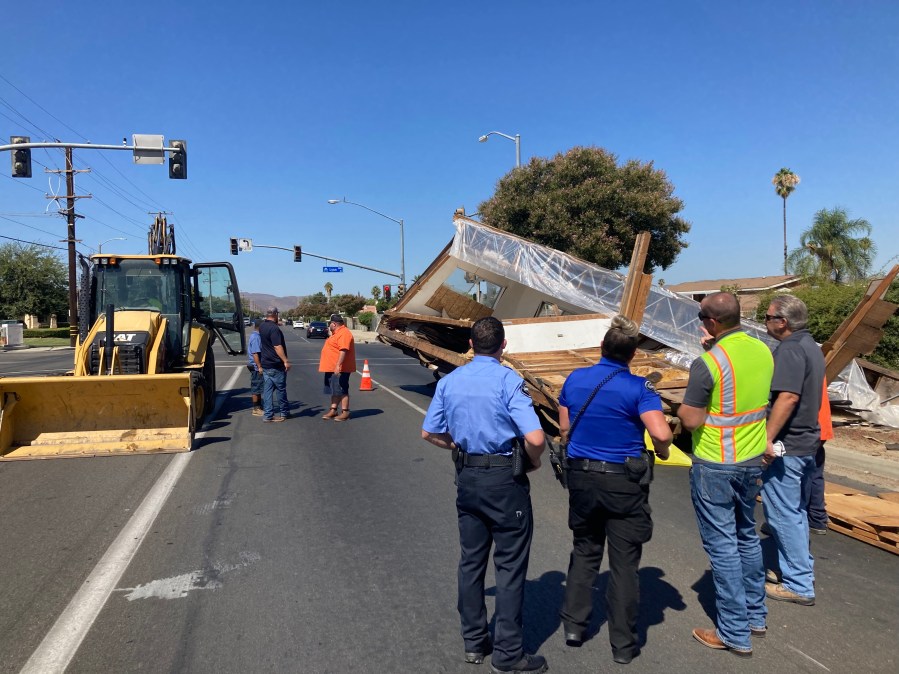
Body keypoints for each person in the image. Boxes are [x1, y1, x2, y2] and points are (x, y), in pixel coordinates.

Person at [421, 316, 548, 674]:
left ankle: (474, 642)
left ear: (472, 345)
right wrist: (532, 463)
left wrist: (459, 447)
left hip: (468, 477)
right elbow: (536, 439)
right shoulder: (509, 380)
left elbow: (429, 433)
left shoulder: (451, 381)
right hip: (504, 480)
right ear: (504, 346)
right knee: (509, 567)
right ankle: (509, 654)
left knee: (471, 561)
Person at [558, 315, 672, 666]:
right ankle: (622, 645)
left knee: (585, 551)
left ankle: (574, 627)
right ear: (633, 355)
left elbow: (564, 427)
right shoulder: (639, 389)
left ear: (601, 349)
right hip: (623, 484)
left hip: (582, 478)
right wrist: (663, 450)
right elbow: (663, 434)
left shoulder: (575, 380)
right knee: (624, 564)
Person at [677, 292, 773, 658]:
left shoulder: (708, 363)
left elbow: (690, 418)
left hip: (716, 462)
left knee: (723, 547)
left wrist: (710, 355)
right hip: (751, 459)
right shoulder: (762, 350)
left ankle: (733, 631)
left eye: (703, 317)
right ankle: (754, 616)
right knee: (746, 536)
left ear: (712, 323)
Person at [761, 294, 825, 606]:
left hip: (789, 443)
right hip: (806, 441)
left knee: (782, 514)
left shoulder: (789, 349)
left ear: (783, 322)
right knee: (795, 512)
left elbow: (787, 397)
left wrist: (767, 439)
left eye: (768, 317)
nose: (765, 322)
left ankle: (798, 583)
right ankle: (799, 571)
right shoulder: (810, 346)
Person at [319, 313, 356, 421]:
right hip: (331, 368)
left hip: (340, 368)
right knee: (334, 390)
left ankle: (345, 412)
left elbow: (343, 350)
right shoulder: (336, 333)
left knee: (342, 389)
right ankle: (333, 409)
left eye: (330, 323)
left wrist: (338, 365)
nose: (329, 325)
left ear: (334, 324)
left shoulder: (344, 333)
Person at [259, 306, 291, 422]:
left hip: (266, 363)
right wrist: (285, 361)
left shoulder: (262, 326)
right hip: (275, 364)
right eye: (277, 314)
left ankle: (268, 415)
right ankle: (284, 412)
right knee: (280, 389)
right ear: (275, 314)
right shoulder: (274, 329)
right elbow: (277, 346)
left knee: (267, 391)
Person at [247, 319, 263, 415]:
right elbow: (255, 353)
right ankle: (256, 409)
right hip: (256, 366)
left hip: (257, 366)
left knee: (259, 387)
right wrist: (259, 366)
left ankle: (259, 406)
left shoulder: (256, 336)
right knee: (256, 387)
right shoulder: (256, 337)